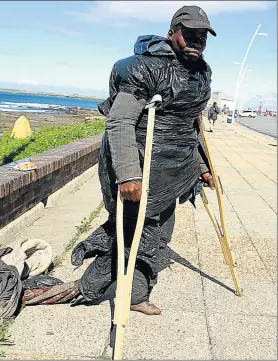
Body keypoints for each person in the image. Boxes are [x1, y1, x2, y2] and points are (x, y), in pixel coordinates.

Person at [71, 5, 216, 316]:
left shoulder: (201, 73)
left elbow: (190, 124)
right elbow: (120, 121)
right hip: (140, 166)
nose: (196, 40)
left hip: (174, 171)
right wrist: (127, 175)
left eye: (202, 36)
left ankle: (135, 295)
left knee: (158, 234)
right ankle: (89, 289)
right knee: (133, 232)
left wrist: (202, 169)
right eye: (189, 33)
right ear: (172, 32)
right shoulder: (145, 69)